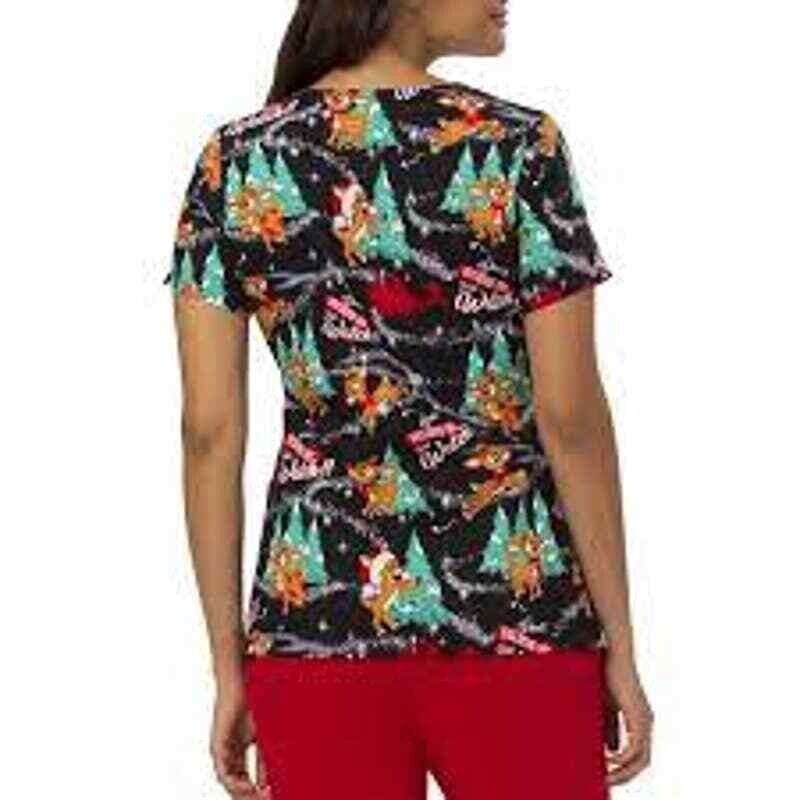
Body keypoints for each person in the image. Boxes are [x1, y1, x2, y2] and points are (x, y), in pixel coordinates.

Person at [164, 1, 653, 798]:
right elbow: (570, 418)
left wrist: (231, 666)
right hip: (520, 626)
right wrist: (620, 643)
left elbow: (208, 432)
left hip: (314, 637)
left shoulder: (235, 161)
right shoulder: (519, 148)